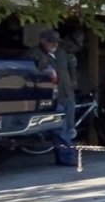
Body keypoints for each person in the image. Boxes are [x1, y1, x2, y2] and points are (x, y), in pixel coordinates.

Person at [29, 29, 79, 165]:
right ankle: (69, 158)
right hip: (52, 97)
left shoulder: (61, 53)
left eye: (56, 42)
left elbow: (70, 68)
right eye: (51, 42)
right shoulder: (33, 54)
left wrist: (73, 84)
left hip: (68, 95)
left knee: (68, 129)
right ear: (42, 41)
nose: (54, 45)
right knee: (60, 129)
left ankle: (62, 158)